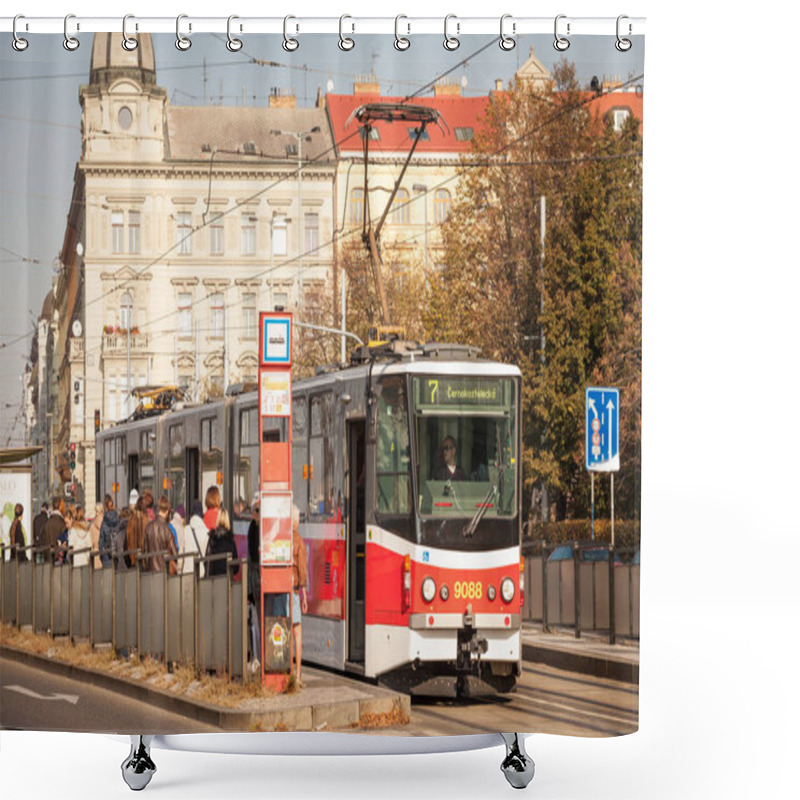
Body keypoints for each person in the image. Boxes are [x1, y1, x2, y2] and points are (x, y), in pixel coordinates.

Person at [290, 503, 308, 686]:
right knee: (297, 633)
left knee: (285, 631)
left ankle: (286, 670)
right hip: (294, 591)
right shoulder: (299, 542)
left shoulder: (283, 539)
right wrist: (303, 596)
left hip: (282, 590)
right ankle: (298, 674)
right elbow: (302, 572)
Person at [142, 495, 177, 573]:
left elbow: (145, 551)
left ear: (158, 509)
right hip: (164, 573)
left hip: (150, 573)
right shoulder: (167, 529)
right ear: (167, 511)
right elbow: (175, 554)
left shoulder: (148, 527)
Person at [205, 507, 238, 577]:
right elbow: (236, 566)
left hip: (213, 579)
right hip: (227, 578)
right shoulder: (230, 539)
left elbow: (207, 560)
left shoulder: (212, 537)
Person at [184, 499, 208, 575]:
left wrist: (179, 571)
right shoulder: (206, 532)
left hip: (187, 572)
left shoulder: (186, 530)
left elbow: (181, 552)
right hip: (200, 572)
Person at [44, 497, 67, 563]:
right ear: (60, 507)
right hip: (59, 559)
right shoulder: (62, 523)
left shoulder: (47, 523)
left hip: (49, 558)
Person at [98, 495, 118, 568]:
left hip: (107, 556)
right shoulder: (118, 520)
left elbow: (101, 542)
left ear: (105, 508)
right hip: (117, 554)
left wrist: (102, 556)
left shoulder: (104, 522)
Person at [127, 496, 147, 567]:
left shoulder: (131, 520)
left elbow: (128, 541)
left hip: (133, 560)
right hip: (145, 560)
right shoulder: (147, 520)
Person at [88, 502, 103, 569]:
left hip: (95, 554)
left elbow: (90, 542)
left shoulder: (92, 525)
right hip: (104, 553)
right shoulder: (105, 523)